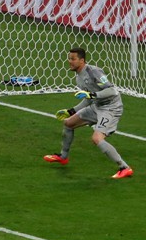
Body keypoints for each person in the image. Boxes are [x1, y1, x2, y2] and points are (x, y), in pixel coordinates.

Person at [43, 47, 133, 179]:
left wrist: (92, 94)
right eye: (69, 58)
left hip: (111, 108)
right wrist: (71, 111)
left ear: (82, 60)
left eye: (73, 59)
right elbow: (88, 100)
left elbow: (112, 91)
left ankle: (125, 168)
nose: (70, 61)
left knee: (97, 138)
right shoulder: (78, 77)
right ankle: (63, 157)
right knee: (68, 123)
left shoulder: (93, 71)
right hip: (97, 106)